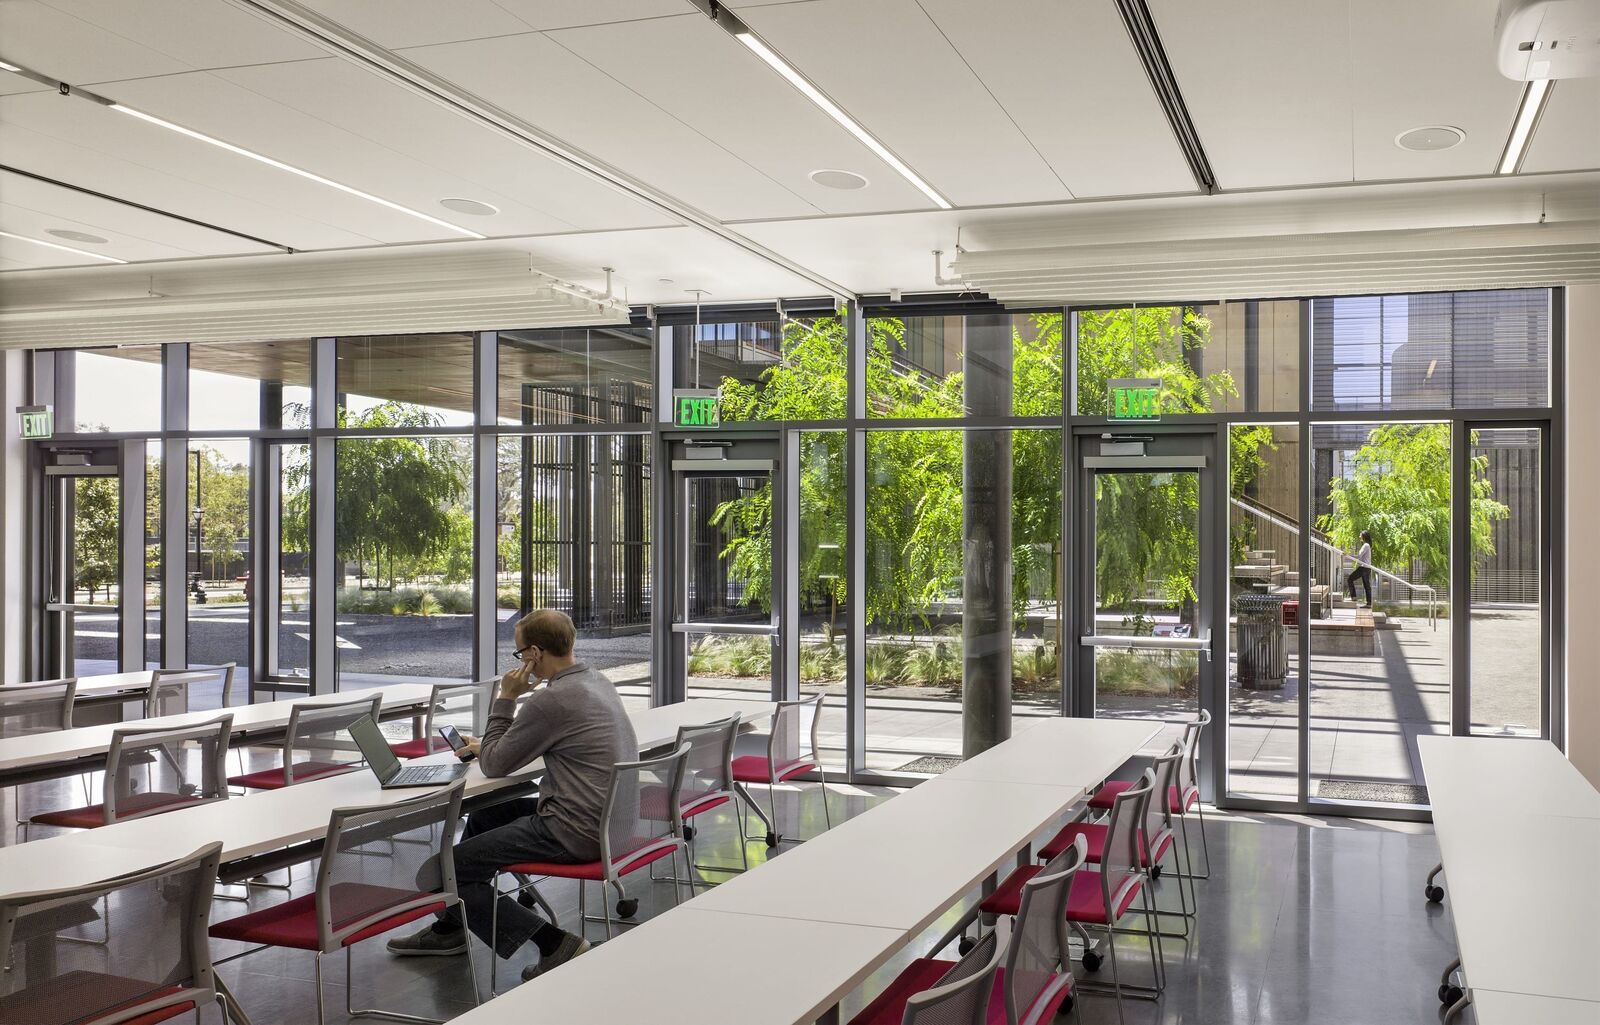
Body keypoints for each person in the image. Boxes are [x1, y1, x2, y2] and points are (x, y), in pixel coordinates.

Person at [388, 609, 639, 981]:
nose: (520, 660)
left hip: (573, 830)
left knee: (441, 872)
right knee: (488, 815)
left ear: (535, 653)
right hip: (611, 821)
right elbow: (527, 746)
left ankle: (554, 943)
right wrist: (490, 745)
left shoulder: (549, 700)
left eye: (520, 653)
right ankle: (451, 925)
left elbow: (494, 765)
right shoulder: (596, 680)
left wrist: (506, 698)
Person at [1346, 529, 1374, 609]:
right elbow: (1360, 557)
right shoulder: (1367, 545)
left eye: (1360, 535)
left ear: (1363, 536)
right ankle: (1368, 603)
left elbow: (1359, 556)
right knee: (1366, 586)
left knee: (1350, 579)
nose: (1359, 536)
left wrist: (1347, 555)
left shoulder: (1366, 545)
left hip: (1364, 568)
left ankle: (1354, 597)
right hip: (1366, 568)